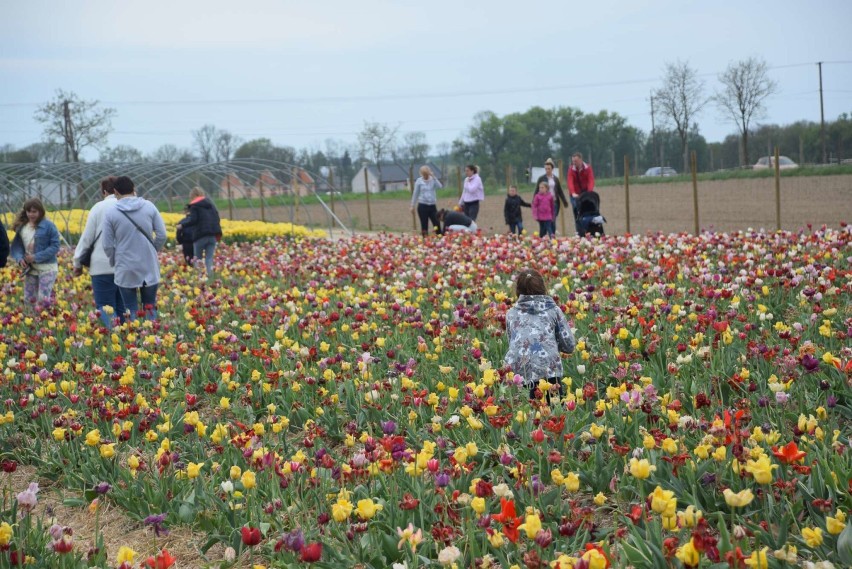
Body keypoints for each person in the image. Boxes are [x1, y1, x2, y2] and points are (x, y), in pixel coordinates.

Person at [102, 176, 167, 320]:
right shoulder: (149, 207)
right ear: (134, 189)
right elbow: (162, 235)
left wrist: (115, 260)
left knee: (130, 308)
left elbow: (107, 244)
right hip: (148, 264)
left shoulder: (111, 213)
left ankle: (135, 339)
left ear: (115, 192)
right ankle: (152, 339)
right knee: (150, 306)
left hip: (125, 266)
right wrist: (152, 250)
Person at [503, 269, 575, 400]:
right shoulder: (553, 311)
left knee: (526, 414)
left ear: (518, 290)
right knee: (551, 414)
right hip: (548, 370)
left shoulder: (511, 313)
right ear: (543, 288)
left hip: (519, 372)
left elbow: (513, 343)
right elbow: (569, 346)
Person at [72, 176, 126, 326]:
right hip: (125, 265)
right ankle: (128, 341)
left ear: (104, 191)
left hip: (101, 266)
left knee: (105, 306)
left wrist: (77, 263)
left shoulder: (98, 208)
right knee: (123, 307)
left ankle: (114, 341)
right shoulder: (128, 205)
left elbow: (86, 239)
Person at [9, 198, 60, 308]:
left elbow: (55, 246)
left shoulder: (49, 226)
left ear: (40, 212)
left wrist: (36, 257)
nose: (31, 214)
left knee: (43, 300)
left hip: (47, 268)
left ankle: (43, 323)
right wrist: (20, 259)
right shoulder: (22, 227)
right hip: (31, 269)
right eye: (29, 211)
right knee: (29, 300)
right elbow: (17, 247)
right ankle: (32, 322)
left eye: (34, 211)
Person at [177, 187, 221, 278]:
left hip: (200, 235)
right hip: (212, 235)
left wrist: (182, 225)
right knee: (209, 258)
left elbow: (193, 220)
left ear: (193, 196)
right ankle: (211, 278)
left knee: (197, 259)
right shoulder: (211, 205)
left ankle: (199, 278)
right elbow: (217, 218)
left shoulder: (194, 206)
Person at [410, 166, 443, 236]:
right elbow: (415, 194)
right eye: (424, 174)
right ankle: (425, 240)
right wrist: (412, 205)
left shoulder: (433, 180)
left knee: (436, 223)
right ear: (421, 174)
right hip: (422, 206)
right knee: (424, 224)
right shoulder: (419, 181)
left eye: (427, 174)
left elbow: (440, 186)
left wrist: (434, 177)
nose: (426, 176)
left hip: (432, 206)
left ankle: (440, 237)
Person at [567, 153, 595, 235]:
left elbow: (591, 180)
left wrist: (589, 192)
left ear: (580, 160)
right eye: (573, 161)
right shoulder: (571, 170)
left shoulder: (588, 168)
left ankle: (588, 231)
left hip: (585, 193)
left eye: (575, 161)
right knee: (577, 212)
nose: (574, 163)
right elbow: (570, 182)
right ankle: (579, 232)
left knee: (587, 211)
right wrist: (573, 193)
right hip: (575, 194)